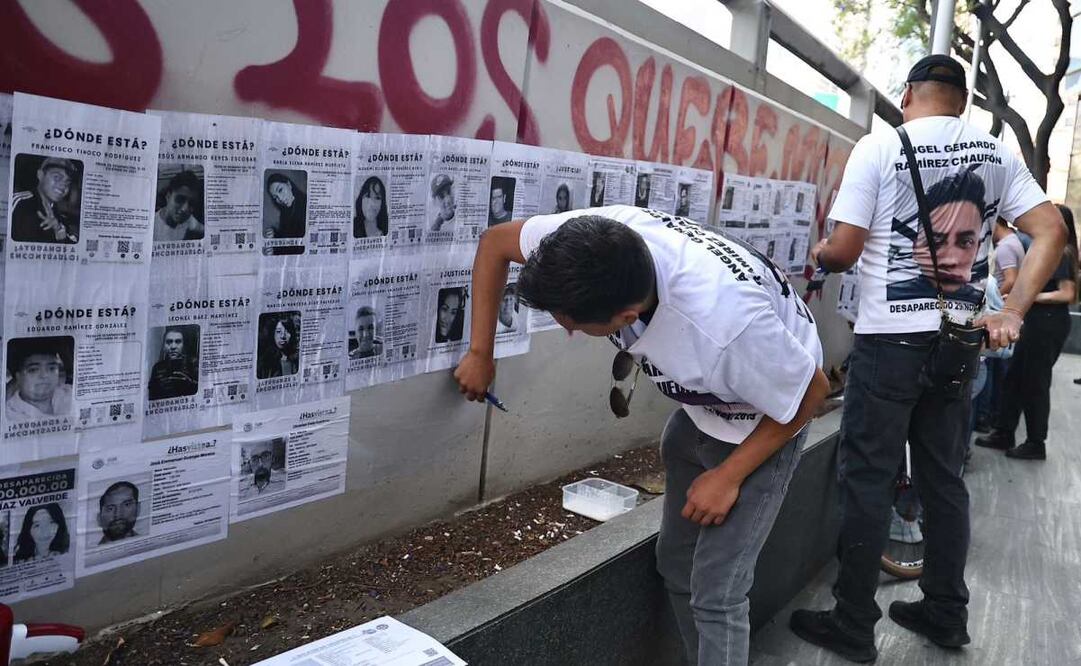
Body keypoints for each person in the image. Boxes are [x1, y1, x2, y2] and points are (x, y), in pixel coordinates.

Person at [455, 205, 829, 666]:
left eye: (572, 323)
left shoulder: (725, 325)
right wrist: (480, 351)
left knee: (717, 592)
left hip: (766, 420)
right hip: (701, 411)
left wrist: (729, 476)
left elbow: (812, 391)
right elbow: (495, 243)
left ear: (627, 314)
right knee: (675, 564)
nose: (566, 329)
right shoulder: (592, 241)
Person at [789, 55, 1065, 662]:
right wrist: (1012, 310)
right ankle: (946, 611)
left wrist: (824, 253)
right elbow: (1051, 231)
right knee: (944, 479)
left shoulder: (880, 146)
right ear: (962, 100)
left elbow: (847, 246)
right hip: (960, 341)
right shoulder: (996, 153)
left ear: (908, 92)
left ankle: (854, 622)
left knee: (867, 479)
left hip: (889, 343)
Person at [975, 204, 1077, 460]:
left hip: (1047, 323)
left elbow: (1067, 293)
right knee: (1016, 378)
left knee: (1035, 382)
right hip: (1036, 321)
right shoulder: (1047, 250)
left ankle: (1035, 441)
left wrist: (1029, 296)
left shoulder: (1059, 253)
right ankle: (1004, 431)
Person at [973, 219, 1026, 432]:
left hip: (997, 314)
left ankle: (985, 418)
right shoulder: (1014, 242)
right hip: (1003, 315)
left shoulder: (1004, 247)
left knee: (987, 370)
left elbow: (1011, 279)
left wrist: (1000, 303)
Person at [10, 157, 79, 244]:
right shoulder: (18, 202)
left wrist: (59, 233)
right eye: (57, 177)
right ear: (40, 175)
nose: (63, 186)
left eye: (67, 182)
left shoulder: (61, 220)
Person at [6, 337, 73, 422]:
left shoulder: (70, 393)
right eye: (33, 370)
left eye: (52, 368)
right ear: (18, 377)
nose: (44, 375)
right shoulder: (10, 414)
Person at [147, 327, 199, 400]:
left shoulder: (193, 364)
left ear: (183, 345)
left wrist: (189, 383)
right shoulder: (157, 367)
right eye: (169, 342)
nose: (173, 346)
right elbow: (152, 395)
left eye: (178, 342)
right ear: (164, 346)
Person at [154, 169, 204, 241]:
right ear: (168, 196)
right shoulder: (153, 227)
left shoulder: (190, 220)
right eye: (180, 199)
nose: (185, 209)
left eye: (191, 203)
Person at [264, 172, 307, 240]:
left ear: (289, 185)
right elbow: (287, 236)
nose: (280, 199)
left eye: (280, 190)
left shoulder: (305, 203)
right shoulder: (284, 213)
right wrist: (274, 234)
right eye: (275, 197)